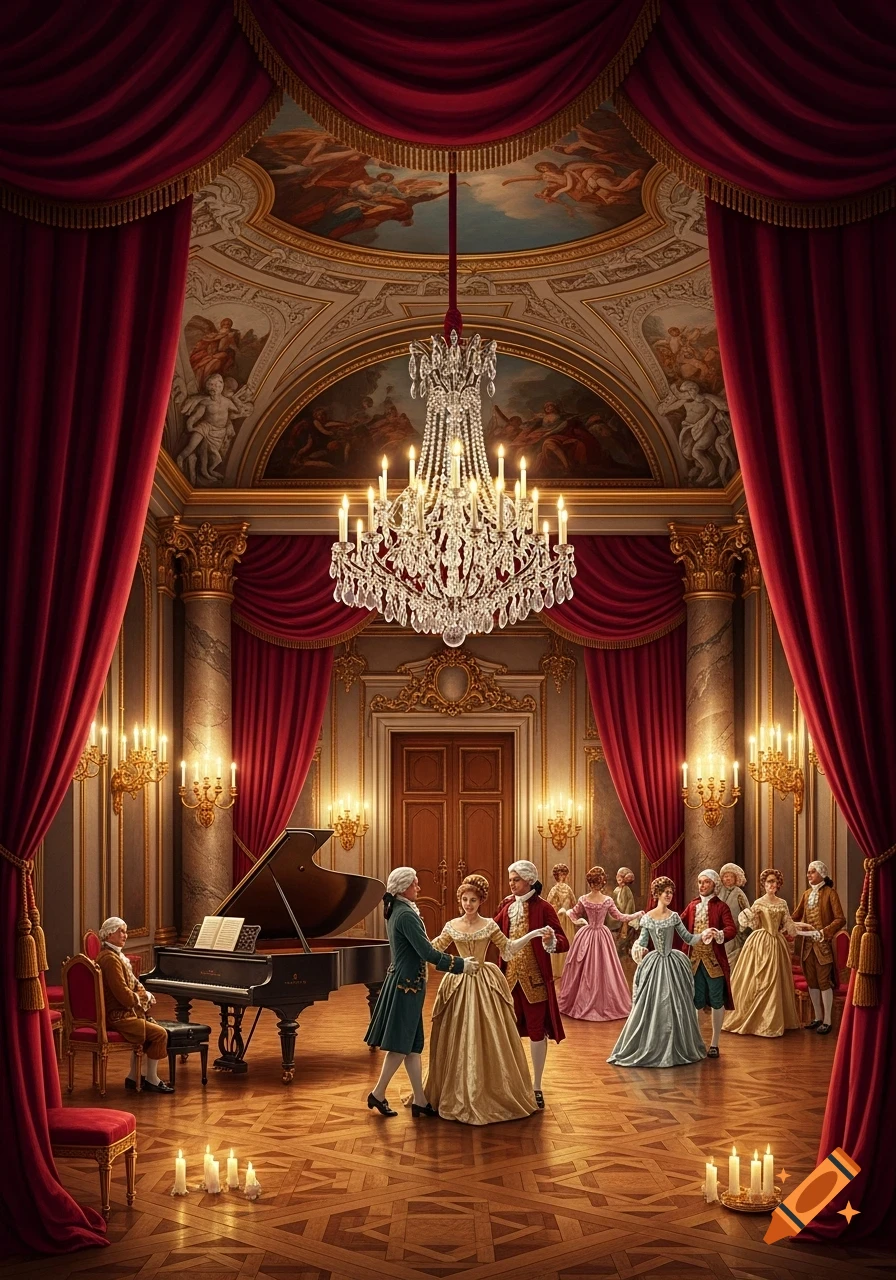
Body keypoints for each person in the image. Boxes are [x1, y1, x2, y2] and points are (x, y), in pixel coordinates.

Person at [424, 875, 552, 1124]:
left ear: (481, 901)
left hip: (485, 983)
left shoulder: (490, 925)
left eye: (473, 900)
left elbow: (508, 949)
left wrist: (534, 933)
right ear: (459, 900)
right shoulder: (451, 925)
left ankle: (490, 1089)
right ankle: (455, 1089)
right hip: (458, 982)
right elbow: (433, 949)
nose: (468, 904)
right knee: (457, 1035)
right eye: (464, 899)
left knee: (487, 1036)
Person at [364, 867, 475, 1117]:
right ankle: (378, 1093)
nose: (419, 888)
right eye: (415, 884)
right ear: (404, 888)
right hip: (407, 986)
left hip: (407, 983)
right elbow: (427, 953)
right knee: (402, 1045)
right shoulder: (405, 914)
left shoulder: (399, 910)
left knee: (412, 1045)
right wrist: (461, 965)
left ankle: (420, 1101)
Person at [607, 877, 715, 1068]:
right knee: (651, 1006)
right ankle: (651, 1045)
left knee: (676, 1006)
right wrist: (638, 949)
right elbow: (641, 940)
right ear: (656, 894)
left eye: (670, 892)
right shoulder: (647, 918)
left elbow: (688, 938)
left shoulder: (673, 916)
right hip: (655, 964)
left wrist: (704, 934)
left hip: (673, 966)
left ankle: (674, 1046)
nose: (668, 895)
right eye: (665, 892)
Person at [492, 860, 569, 1108]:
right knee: (506, 1032)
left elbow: (563, 941)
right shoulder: (506, 906)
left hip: (535, 982)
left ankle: (536, 1085)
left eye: (516, 879)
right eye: (511, 879)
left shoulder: (544, 907)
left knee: (537, 1032)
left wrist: (550, 940)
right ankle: (510, 1082)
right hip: (507, 981)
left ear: (529, 880)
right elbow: (491, 930)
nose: (511, 884)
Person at [722, 868, 817, 1038]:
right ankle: (756, 1021)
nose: (771, 885)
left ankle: (772, 1022)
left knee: (775, 981)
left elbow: (788, 925)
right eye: (768, 882)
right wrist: (748, 916)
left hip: (777, 944)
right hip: (760, 943)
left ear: (778, 884)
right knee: (759, 980)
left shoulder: (782, 903)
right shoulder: (759, 902)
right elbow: (751, 922)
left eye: (774, 882)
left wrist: (804, 926)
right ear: (764, 885)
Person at [95, 918, 172, 1093]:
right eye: (121, 931)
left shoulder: (114, 956)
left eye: (125, 931)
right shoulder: (110, 960)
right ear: (109, 934)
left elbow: (131, 984)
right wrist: (141, 998)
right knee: (159, 1034)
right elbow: (123, 994)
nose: (125, 935)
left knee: (153, 1028)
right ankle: (152, 1079)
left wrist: (142, 994)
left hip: (123, 1013)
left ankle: (133, 1077)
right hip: (119, 1017)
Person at [557, 866, 642, 1021]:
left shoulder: (584, 899)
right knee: (603, 969)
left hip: (588, 934)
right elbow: (621, 917)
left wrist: (570, 915)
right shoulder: (606, 900)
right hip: (601, 935)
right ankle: (598, 1002)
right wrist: (636, 914)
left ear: (591, 883)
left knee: (592, 969)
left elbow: (574, 915)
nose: (596, 884)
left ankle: (587, 1001)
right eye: (597, 882)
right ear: (601, 883)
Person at [677, 870, 736, 1058]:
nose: (701, 886)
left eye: (706, 882)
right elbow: (678, 922)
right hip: (693, 961)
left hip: (713, 961)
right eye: (700, 882)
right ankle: (697, 1041)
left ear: (714, 885)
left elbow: (731, 929)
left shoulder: (722, 907)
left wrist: (718, 934)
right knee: (696, 1000)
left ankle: (715, 1043)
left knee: (717, 1000)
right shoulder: (693, 905)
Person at [791, 860, 846, 1035]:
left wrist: (824, 932)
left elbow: (840, 919)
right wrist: (785, 921)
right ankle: (817, 1017)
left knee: (823, 982)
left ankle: (828, 1020)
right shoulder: (806, 894)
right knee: (812, 982)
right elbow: (796, 915)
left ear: (822, 874)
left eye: (812, 872)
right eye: (808, 872)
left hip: (823, 946)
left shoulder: (830, 893)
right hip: (807, 946)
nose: (809, 875)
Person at [545, 863, 577, 978]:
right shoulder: (556, 889)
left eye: (564, 874)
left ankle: (567, 968)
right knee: (560, 940)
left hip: (566, 919)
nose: (564, 876)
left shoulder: (567, 889)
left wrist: (566, 908)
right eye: (562, 874)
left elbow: (574, 903)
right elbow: (548, 904)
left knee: (567, 940)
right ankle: (557, 969)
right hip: (558, 919)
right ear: (558, 876)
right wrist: (557, 907)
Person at [718, 863, 751, 965]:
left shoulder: (739, 893)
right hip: (719, 928)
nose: (728, 879)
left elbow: (747, 911)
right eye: (726, 876)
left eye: (731, 876)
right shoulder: (718, 891)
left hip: (734, 930)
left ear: (736, 878)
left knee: (731, 952)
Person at [607, 866, 637, 959]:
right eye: (618, 876)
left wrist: (625, 921)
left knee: (623, 937)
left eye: (621, 877)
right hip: (616, 916)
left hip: (625, 918)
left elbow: (629, 906)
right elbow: (613, 904)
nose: (619, 878)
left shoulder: (626, 890)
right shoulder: (616, 890)